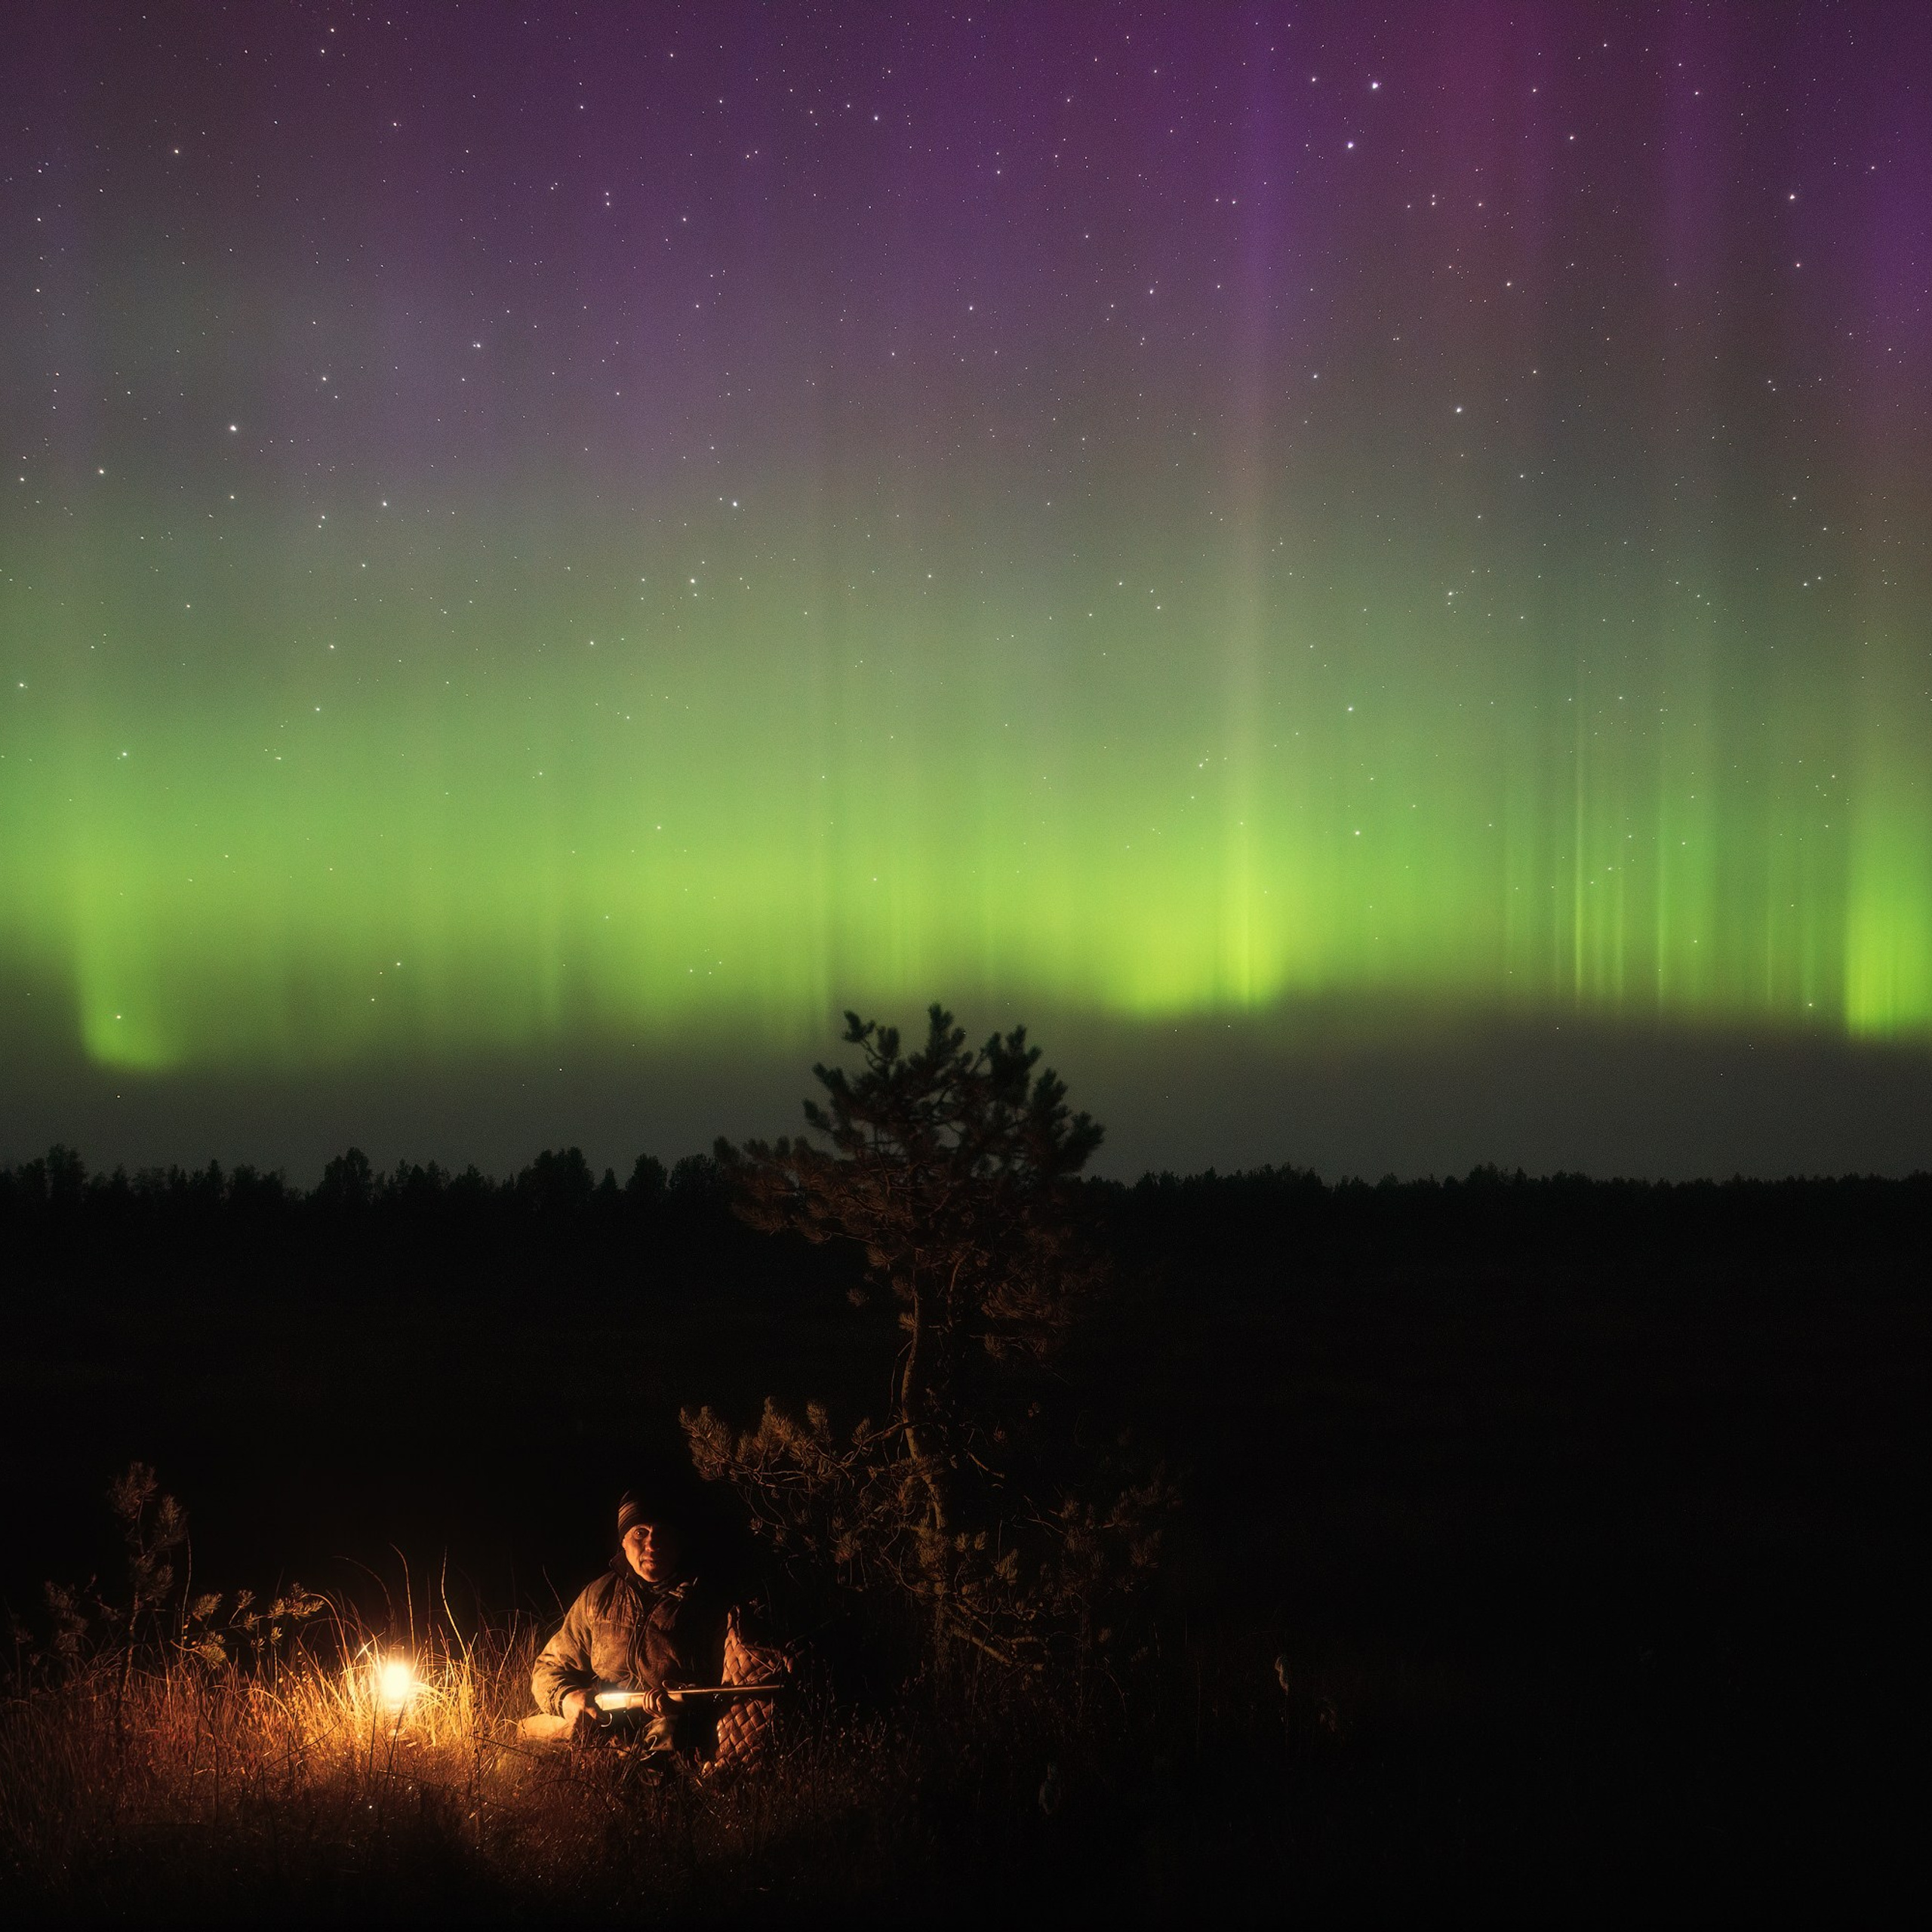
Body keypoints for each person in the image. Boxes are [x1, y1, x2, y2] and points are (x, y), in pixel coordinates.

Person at [525, 1488, 783, 1767]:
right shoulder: (598, 1595)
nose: (652, 1544)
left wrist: (684, 1704)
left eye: (663, 1533)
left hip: (671, 1731)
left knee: (666, 1739)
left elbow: (726, 1689)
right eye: (640, 1533)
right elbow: (548, 1667)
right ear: (623, 1541)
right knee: (526, 1731)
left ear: (680, 1541)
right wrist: (567, 1698)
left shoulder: (711, 1604)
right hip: (601, 1720)